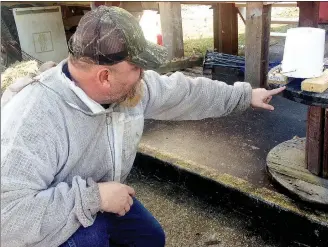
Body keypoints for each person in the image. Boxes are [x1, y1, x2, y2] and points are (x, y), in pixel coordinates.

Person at [1, 6, 285, 247]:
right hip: (47, 223)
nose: (144, 75)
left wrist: (245, 96)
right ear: (104, 76)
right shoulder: (32, 119)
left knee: (150, 238)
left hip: (100, 195)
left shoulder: (128, 89)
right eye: (136, 67)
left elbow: (184, 93)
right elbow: (7, 218)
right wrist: (94, 197)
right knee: (93, 236)